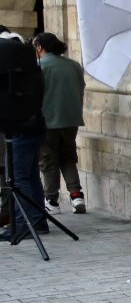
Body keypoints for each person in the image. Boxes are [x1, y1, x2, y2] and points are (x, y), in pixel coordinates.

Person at [1, 28, 49, 242]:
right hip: (34, 124)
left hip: (18, 128)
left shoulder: (10, 65)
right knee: (30, 176)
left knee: (19, 178)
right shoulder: (27, 61)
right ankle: (38, 221)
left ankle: (22, 224)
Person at [32, 33, 86, 214]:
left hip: (48, 120)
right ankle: (76, 195)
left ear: (39, 47)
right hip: (71, 119)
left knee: (48, 161)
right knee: (68, 158)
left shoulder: (39, 66)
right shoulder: (74, 65)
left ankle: (52, 201)